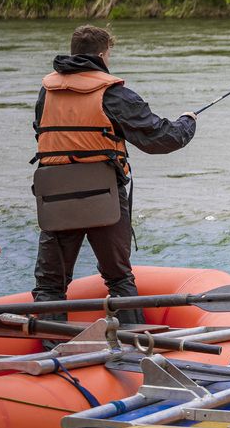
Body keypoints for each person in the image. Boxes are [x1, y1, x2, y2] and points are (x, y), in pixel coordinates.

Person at [31, 25, 197, 325]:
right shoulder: (113, 93)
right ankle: (134, 346)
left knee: (50, 285)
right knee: (119, 278)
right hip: (102, 196)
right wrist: (188, 122)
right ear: (101, 55)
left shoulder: (47, 91)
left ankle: (49, 350)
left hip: (55, 195)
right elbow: (161, 138)